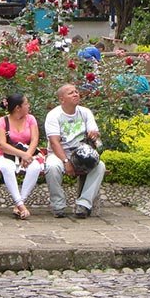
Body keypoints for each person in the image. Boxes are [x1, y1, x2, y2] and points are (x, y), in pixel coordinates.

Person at [44, 83, 105, 219]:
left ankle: (83, 204)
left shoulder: (85, 112)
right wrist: (66, 161)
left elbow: (94, 131)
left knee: (100, 166)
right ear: (62, 99)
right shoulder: (54, 115)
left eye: (76, 91)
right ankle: (58, 205)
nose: (76, 94)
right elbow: (54, 142)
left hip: (81, 153)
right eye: (71, 93)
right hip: (59, 154)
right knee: (52, 166)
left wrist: (94, 135)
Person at [0, 93, 45, 220]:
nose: (29, 106)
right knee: (7, 167)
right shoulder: (1, 122)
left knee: (35, 167)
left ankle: (19, 203)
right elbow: (2, 144)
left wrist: (27, 155)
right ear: (18, 108)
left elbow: (34, 139)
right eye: (26, 103)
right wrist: (21, 154)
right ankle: (21, 205)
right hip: (5, 156)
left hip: (28, 154)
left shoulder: (30, 119)